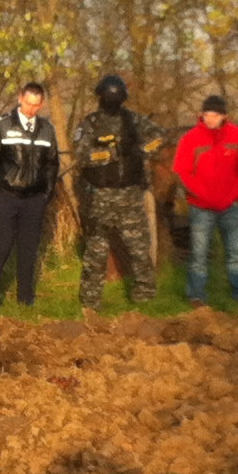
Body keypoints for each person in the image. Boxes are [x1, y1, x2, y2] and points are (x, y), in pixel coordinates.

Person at [71, 73, 168, 313]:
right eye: (107, 95)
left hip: (130, 197)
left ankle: (145, 296)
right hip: (100, 199)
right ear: (100, 97)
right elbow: (82, 156)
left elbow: (161, 137)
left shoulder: (135, 121)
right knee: (96, 252)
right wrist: (114, 155)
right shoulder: (90, 124)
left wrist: (139, 151)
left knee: (139, 249)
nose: (111, 99)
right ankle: (90, 302)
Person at [0, 81, 60, 311]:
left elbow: (53, 163)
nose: (31, 110)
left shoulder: (47, 129)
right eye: (28, 104)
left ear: (41, 104)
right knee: (1, 248)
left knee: (28, 249)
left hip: (34, 199)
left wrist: (47, 193)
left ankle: (25, 300)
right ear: (20, 99)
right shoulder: (1, 126)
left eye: (36, 105)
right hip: (6, 196)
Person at [173, 94, 238, 307]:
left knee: (235, 253)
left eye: (214, 114)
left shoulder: (236, 136)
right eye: (206, 114)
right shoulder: (190, 138)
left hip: (230, 206)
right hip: (201, 208)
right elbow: (182, 171)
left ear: (223, 116)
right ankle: (196, 296)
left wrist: (235, 195)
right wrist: (201, 194)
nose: (209, 118)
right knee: (199, 254)